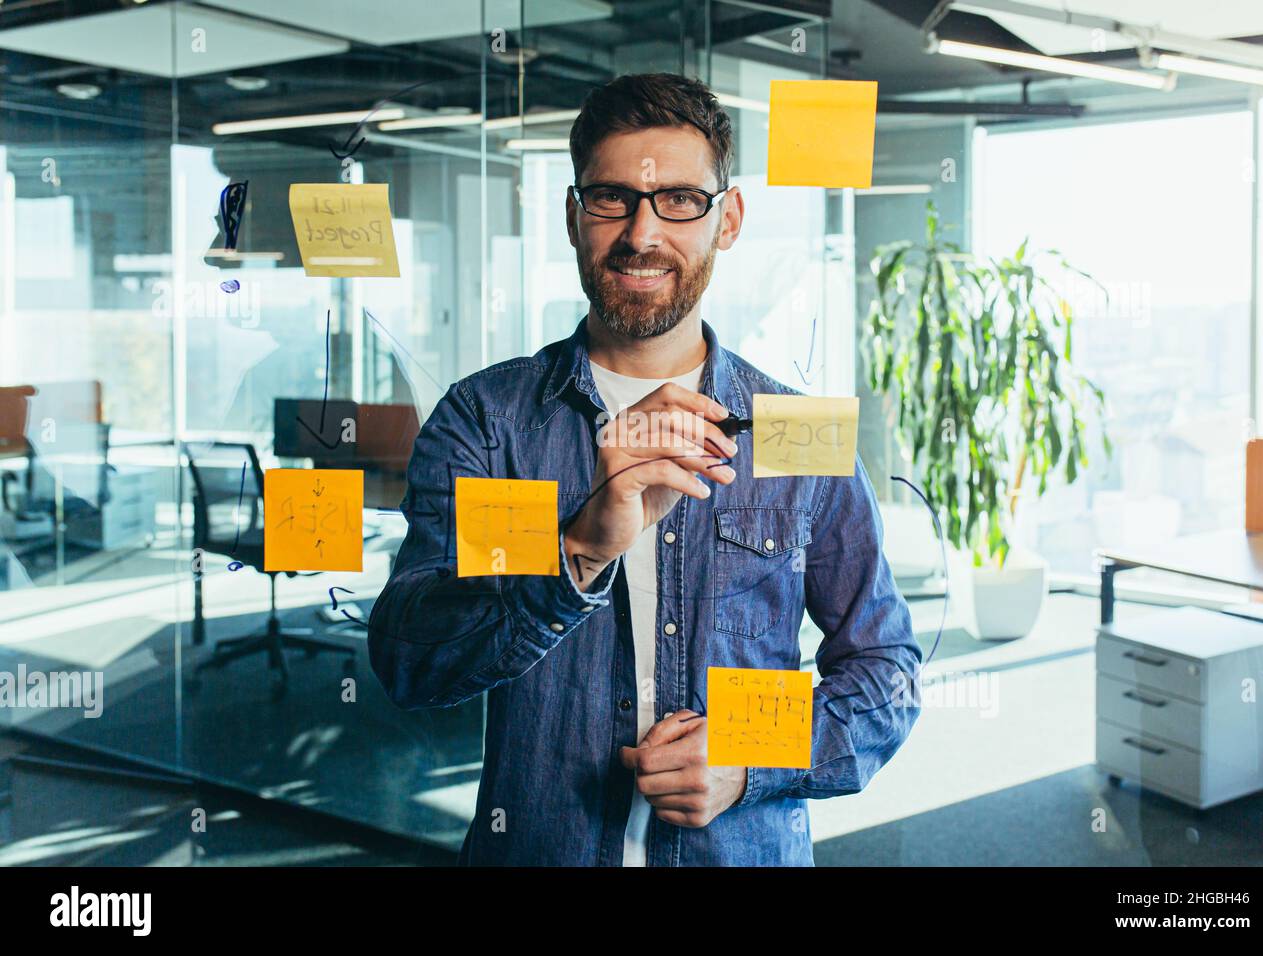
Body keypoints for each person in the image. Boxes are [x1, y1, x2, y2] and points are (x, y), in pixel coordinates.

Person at [368, 72, 921, 866]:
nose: (642, 232)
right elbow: (409, 663)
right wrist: (577, 550)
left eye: (680, 202)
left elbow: (886, 671)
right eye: (612, 199)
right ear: (573, 216)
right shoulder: (490, 423)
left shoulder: (794, 433)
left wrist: (750, 762)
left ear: (727, 219)